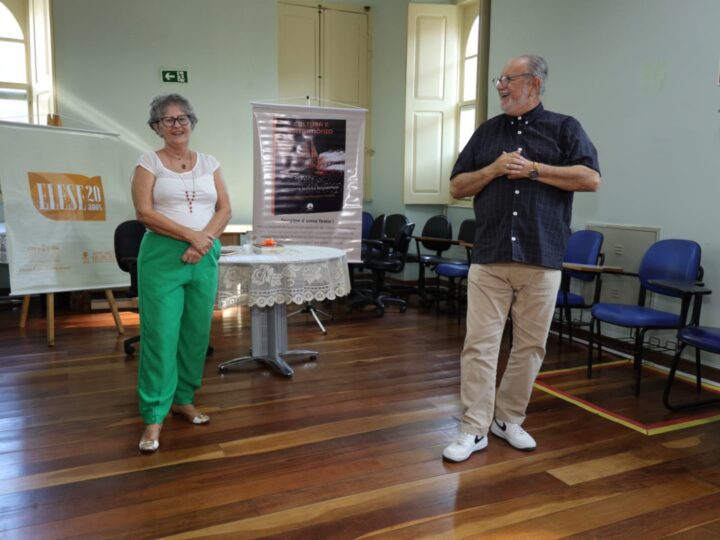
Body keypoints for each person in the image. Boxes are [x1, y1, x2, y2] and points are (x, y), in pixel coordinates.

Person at [442, 55, 601, 463]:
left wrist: (533, 170)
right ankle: (474, 428)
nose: (500, 86)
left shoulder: (565, 128)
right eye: (499, 79)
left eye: (507, 79)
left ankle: (507, 418)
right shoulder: (486, 133)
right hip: (491, 254)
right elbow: (457, 186)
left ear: (533, 83)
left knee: (530, 346)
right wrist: (494, 169)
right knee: (479, 346)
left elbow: (590, 178)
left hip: (542, 255)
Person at [131, 93, 232, 452]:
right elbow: (144, 212)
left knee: (195, 334)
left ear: (192, 121)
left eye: (183, 117)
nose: (177, 124)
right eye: (168, 119)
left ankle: (183, 399)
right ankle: (153, 416)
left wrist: (202, 242)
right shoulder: (148, 163)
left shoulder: (209, 163)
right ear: (157, 127)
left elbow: (224, 208)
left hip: (204, 254)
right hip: (163, 256)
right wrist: (192, 236)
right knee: (160, 335)